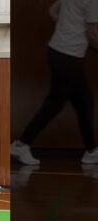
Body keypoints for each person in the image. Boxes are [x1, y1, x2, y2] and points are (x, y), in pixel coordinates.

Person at [11, 0, 98, 165]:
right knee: (55, 103)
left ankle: (91, 151)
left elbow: (52, 11)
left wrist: (69, 29)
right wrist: (74, 32)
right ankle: (21, 145)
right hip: (69, 56)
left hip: (59, 52)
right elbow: (92, 33)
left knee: (84, 102)